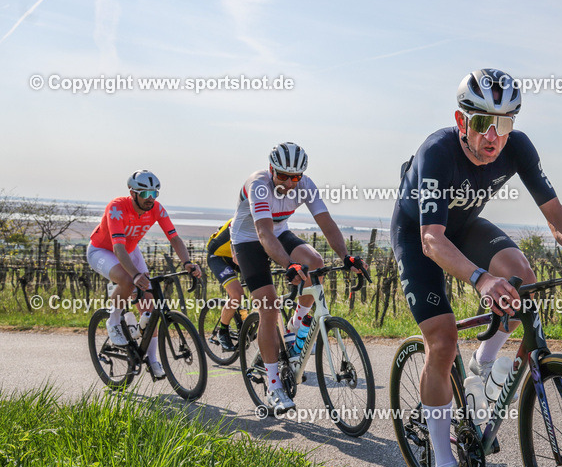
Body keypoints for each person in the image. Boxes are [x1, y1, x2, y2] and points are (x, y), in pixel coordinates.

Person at [390, 68, 562, 467]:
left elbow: (555, 213)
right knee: (442, 340)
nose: (493, 136)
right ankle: (444, 466)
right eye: (482, 123)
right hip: (422, 234)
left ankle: (485, 363)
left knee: (524, 283)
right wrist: (482, 278)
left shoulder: (518, 148)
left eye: (505, 123)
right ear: (462, 122)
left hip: (467, 224)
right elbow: (432, 240)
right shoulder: (437, 152)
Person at [231, 142, 367, 413]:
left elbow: (326, 222)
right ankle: (273, 386)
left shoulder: (305, 184)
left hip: (279, 232)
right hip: (249, 239)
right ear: (271, 170)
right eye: (283, 176)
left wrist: (345, 256)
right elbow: (263, 234)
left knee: (315, 263)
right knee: (269, 307)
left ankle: (294, 327)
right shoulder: (258, 184)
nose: (290, 183)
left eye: (296, 177)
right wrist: (289, 264)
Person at [86, 170, 201, 378]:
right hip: (102, 250)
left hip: (129, 250)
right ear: (133, 192)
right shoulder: (117, 207)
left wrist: (187, 262)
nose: (151, 199)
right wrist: (136, 275)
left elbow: (174, 238)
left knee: (150, 304)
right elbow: (118, 247)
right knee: (128, 281)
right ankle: (113, 322)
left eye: (155, 194)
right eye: (146, 193)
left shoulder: (156, 209)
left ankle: (153, 359)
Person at [206, 219, 244, 350]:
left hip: (240, 256)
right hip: (218, 256)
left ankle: (244, 319)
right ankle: (222, 331)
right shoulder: (242, 220)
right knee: (237, 295)